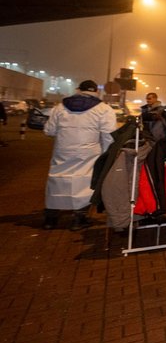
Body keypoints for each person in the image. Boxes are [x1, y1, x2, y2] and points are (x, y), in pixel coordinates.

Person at [43, 80, 116, 230]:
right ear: (96, 91)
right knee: (84, 183)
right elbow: (109, 136)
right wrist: (106, 154)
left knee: (57, 181)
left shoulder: (60, 107)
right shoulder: (103, 109)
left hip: (62, 151)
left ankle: (50, 218)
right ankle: (79, 218)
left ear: (78, 90)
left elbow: (49, 131)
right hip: (88, 153)